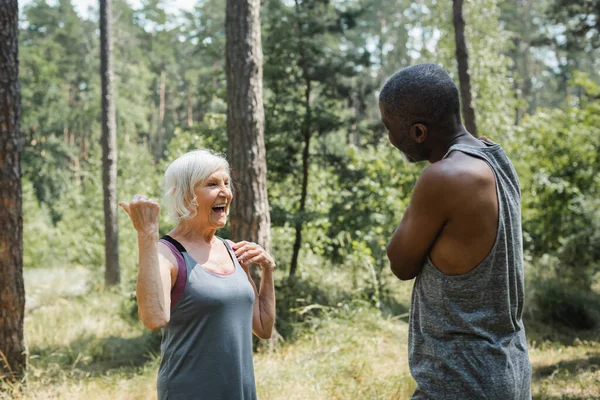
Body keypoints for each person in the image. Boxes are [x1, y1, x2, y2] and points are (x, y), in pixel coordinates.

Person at [379, 64, 531, 399]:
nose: (389, 139)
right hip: (508, 367)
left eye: (390, 128)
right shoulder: (495, 157)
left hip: (461, 380)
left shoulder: (444, 177)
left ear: (419, 132)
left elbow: (400, 263)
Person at [119, 149, 275, 400]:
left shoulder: (230, 249)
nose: (225, 191)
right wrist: (146, 234)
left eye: (226, 182)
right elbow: (153, 318)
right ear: (184, 195)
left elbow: (264, 327)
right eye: (212, 184)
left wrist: (267, 271)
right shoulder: (167, 253)